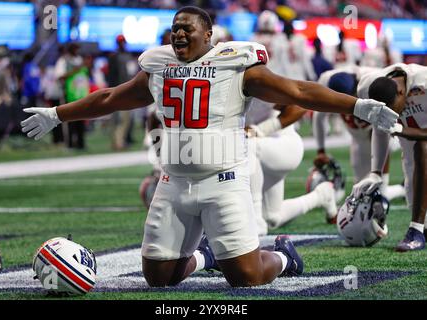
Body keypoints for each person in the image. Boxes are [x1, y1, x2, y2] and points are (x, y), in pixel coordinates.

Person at [21, 6, 398, 287]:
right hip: (173, 183)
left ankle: (284, 258)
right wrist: (57, 114)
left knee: (246, 277)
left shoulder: (236, 65)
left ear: (209, 34)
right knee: (159, 278)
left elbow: (299, 90)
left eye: (187, 29)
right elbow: (108, 98)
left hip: (224, 180)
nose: (179, 35)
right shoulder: (159, 66)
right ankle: (205, 256)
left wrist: (358, 105)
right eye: (174, 30)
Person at [352, 63, 427, 252]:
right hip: (412, 143)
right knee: (414, 197)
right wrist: (375, 172)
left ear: (402, 93)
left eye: (394, 110)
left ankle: (415, 230)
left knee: (423, 147)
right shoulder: (366, 87)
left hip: (420, 138)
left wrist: (402, 129)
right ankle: (422, 228)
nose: (394, 116)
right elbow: (380, 124)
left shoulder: (424, 83)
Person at [312, 66, 406, 201]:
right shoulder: (325, 82)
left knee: (379, 191)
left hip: (382, 133)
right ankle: (403, 188)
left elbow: (386, 127)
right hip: (358, 137)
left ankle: (404, 188)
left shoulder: (370, 82)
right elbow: (318, 117)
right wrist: (320, 150)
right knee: (362, 190)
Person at [246, 102, 338, 236]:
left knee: (245, 145)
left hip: (284, 146)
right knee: (272, 218)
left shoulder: (255, 83)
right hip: (263, 153)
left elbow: (299, 105)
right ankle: (322, 196)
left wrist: (260, 130)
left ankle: (256, 221)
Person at [55, 42, 90, 149]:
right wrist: (74, 71)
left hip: (80, 94)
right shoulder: (63, 61)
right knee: (69, 120)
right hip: (68, 94)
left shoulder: (79, 60)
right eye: (75, 48)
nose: (77, 51)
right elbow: (59, 77)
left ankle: (81, 143)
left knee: (81, 119)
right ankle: (69, 144)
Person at [107, 35, 137, 150]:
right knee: (118, 118)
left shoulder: (128, 56)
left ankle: (121, 141)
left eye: (123, 42)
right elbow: (111, 76)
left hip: (128, 90)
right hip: (118, 90)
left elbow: (132, 73)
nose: (122, 44)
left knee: (125, 119)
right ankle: (117, 142)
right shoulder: (114, 56)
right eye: (120, 42)